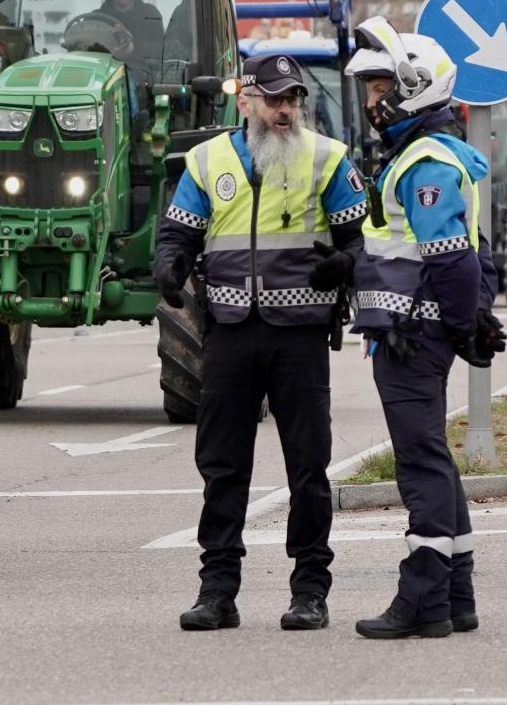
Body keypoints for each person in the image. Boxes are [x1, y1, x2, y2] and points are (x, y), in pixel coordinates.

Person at [154, 53, 369, 633]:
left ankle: (310, 592)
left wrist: (343, 266)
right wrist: (170, 264)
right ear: (245, 100)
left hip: (298, 339)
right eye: (274, 98)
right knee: (222, 467)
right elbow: (177, 231)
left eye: (293, 99)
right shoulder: (206, 161)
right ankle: (217, 591)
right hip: (228, 334)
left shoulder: (328, 158)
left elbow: (360, 243)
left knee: (307, 468)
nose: (285, 109)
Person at [343, 17, 507, 640]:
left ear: (414, 87)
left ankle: (422, 600)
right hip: (413, 331)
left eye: (380, 86)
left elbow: (454, 259)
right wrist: (470, 323)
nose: (370, 100)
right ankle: (456, 595)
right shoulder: (421, 154)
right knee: (433, 459)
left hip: (414, 337)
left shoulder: (426, 162)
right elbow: (469, 250)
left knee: (419, 464)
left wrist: (465, 325)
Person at [89, 0, 164, 62]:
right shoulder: (96, 17)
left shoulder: (150, 14)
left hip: (141, 69)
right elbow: (87, 46)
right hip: (105, 68)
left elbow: (160, 47)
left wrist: (133, 48)